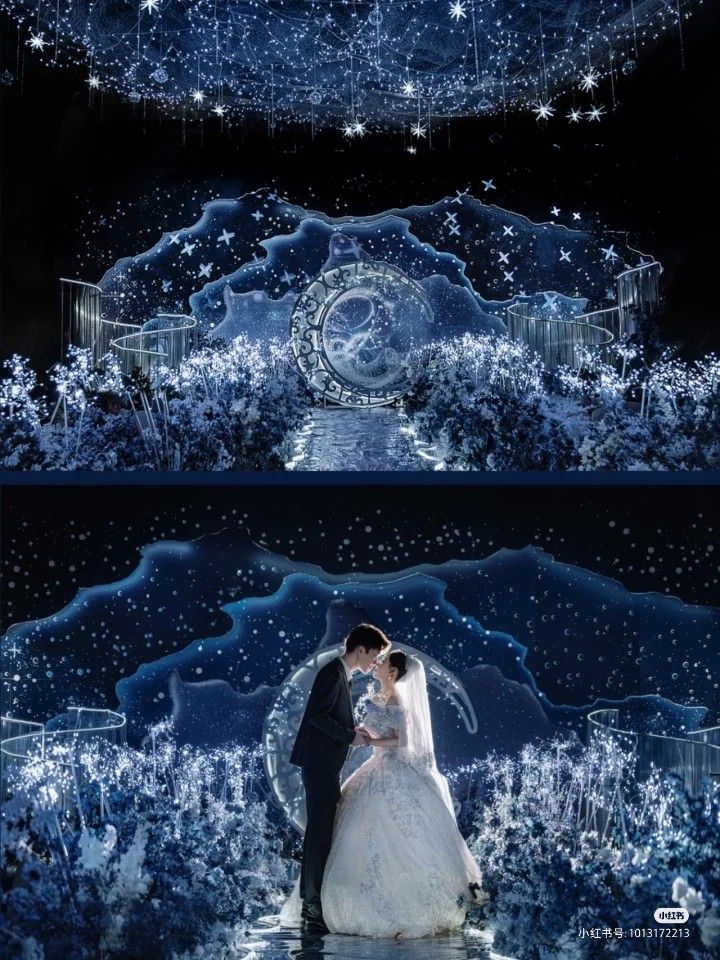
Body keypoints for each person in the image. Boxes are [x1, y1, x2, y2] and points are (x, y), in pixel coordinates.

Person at [281, 647, 487, 938]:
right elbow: (371, 729)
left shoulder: (397, 698)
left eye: (383, 662)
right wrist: (358, 733)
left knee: (394, 834)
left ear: (392, 672)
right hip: (374, 767)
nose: (377, 664)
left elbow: (403, 741)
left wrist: (370, 742)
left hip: (390, 769)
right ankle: (330, 902)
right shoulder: (379, 696)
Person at [287, 623, 391, 933]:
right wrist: (349, 736)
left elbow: (330, 714)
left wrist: (352, 731)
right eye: (374, 655)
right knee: (318, 833)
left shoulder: (340, 674)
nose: (374, 663)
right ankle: (310, 904)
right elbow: (317, 716)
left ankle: (314, 901)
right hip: (319, 764)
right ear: (360, 649)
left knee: (322, 830)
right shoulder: (332, 672)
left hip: (324, 764)